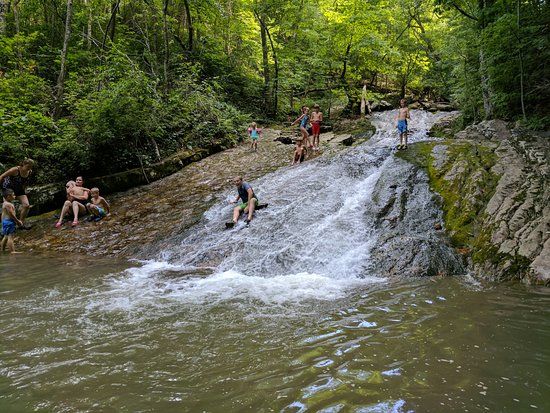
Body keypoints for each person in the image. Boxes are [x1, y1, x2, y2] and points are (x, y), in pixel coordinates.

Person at [0, 158, 34, 229]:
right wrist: (2, 189)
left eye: (31, 167)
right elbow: (2, 176)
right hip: (8, 188)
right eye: (28, 166)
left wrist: (23, 189)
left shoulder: (29, 172)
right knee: (7, 207)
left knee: (26, 205)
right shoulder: (15, 170)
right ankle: (5, 228)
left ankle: (20, 224)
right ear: (23, 164)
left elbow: (25, 181)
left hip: (19, 189)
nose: (29, 168)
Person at [1, 189, 23, 253]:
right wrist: (17, 221)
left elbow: (3, 214)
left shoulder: (4, 203)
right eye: (13, 195)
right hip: (9, 222)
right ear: (8, 196)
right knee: (10, 237)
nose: (15, 196)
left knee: (5, 236)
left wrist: (3, 222)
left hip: (5, 221)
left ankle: (2, 250)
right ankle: (12, 251)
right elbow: (11, 214)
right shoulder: (8, 204)